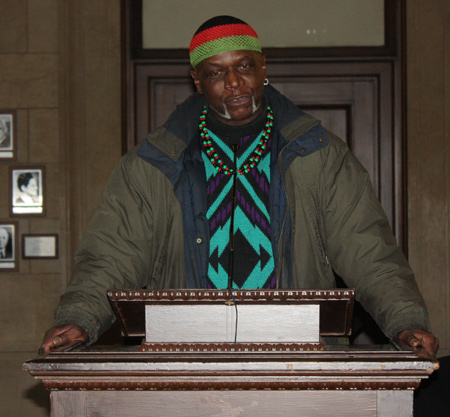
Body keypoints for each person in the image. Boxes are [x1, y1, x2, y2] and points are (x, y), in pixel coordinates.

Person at [40, 16, 439, 359]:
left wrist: (404, 320)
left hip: (296, 359)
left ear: (263, 67)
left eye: (244, 66)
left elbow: (366, 249)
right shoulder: (153, 164)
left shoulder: (318, 155)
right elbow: (112, 255)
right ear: (197, 80)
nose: (234, 83)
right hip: (187, 359)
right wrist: (80, 319)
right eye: (216, 72)